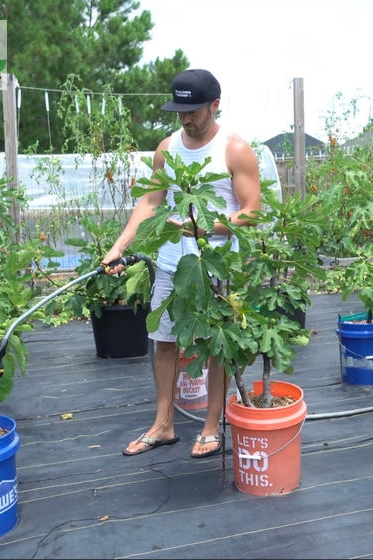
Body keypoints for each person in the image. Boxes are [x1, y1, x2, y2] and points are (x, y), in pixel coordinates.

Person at [102, 69, 263, 459]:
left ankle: (211, 426)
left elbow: (252, 212)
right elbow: (151, 202)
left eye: (194, 111)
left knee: (214, 344)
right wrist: (120, 245)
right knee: (165, 342)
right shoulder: (167, 148)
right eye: (180, 112)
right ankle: (163, 426)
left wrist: (205, 230)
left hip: (217, 265)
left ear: (214, 105)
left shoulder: (235, 150)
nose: (187, 120)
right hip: (173, 263)